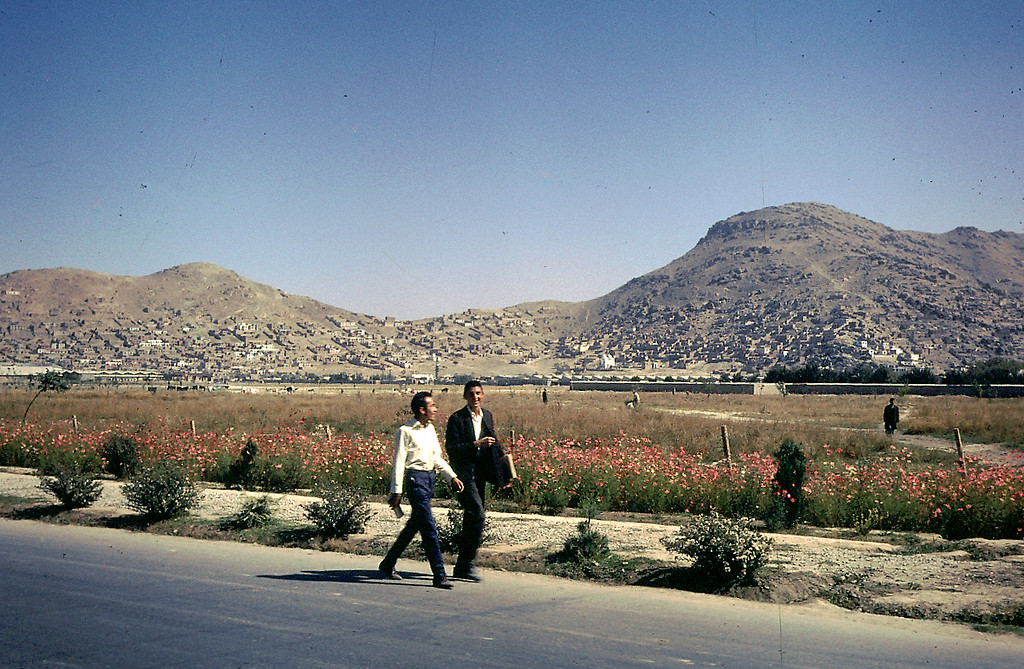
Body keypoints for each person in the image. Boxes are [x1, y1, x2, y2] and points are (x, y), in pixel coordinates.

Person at [379, 391, 464, 589]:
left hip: (429, 479)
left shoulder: (430, 429)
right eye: (432, 405)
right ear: (421, 410)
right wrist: (397, 490)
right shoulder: (405, 431)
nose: (435, 409)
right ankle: (439, 574)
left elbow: (436, 458)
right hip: (414, 479)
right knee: (429, 527)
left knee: (414, 526)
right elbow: (399, 462)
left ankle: (387, 563)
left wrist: (451, 476)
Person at [445, 380, 511, 582]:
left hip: (481, 473)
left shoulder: (487, 416)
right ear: (465, 396)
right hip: (464, 473)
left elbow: (495, 444)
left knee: (472, 517)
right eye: (471, 394)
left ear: (483, 395)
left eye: (478, 393)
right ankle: (467, 563)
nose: (475, 397)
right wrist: (475, 444)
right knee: (477, 513)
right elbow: (452, 449)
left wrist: (505, 473)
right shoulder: (457, 419)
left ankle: (463, 564)